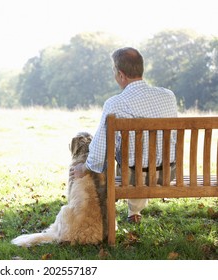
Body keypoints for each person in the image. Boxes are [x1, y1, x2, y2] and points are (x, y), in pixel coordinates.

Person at [70, 47, 178, 223]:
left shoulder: (115, 103)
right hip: (168, 172)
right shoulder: (168, 96)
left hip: (134, 177)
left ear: (121, 75)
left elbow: (100, 148)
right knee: (140, 155)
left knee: (120, 157)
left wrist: (84, 168)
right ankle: (134, 212)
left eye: (114, 71)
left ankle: (99, 213)